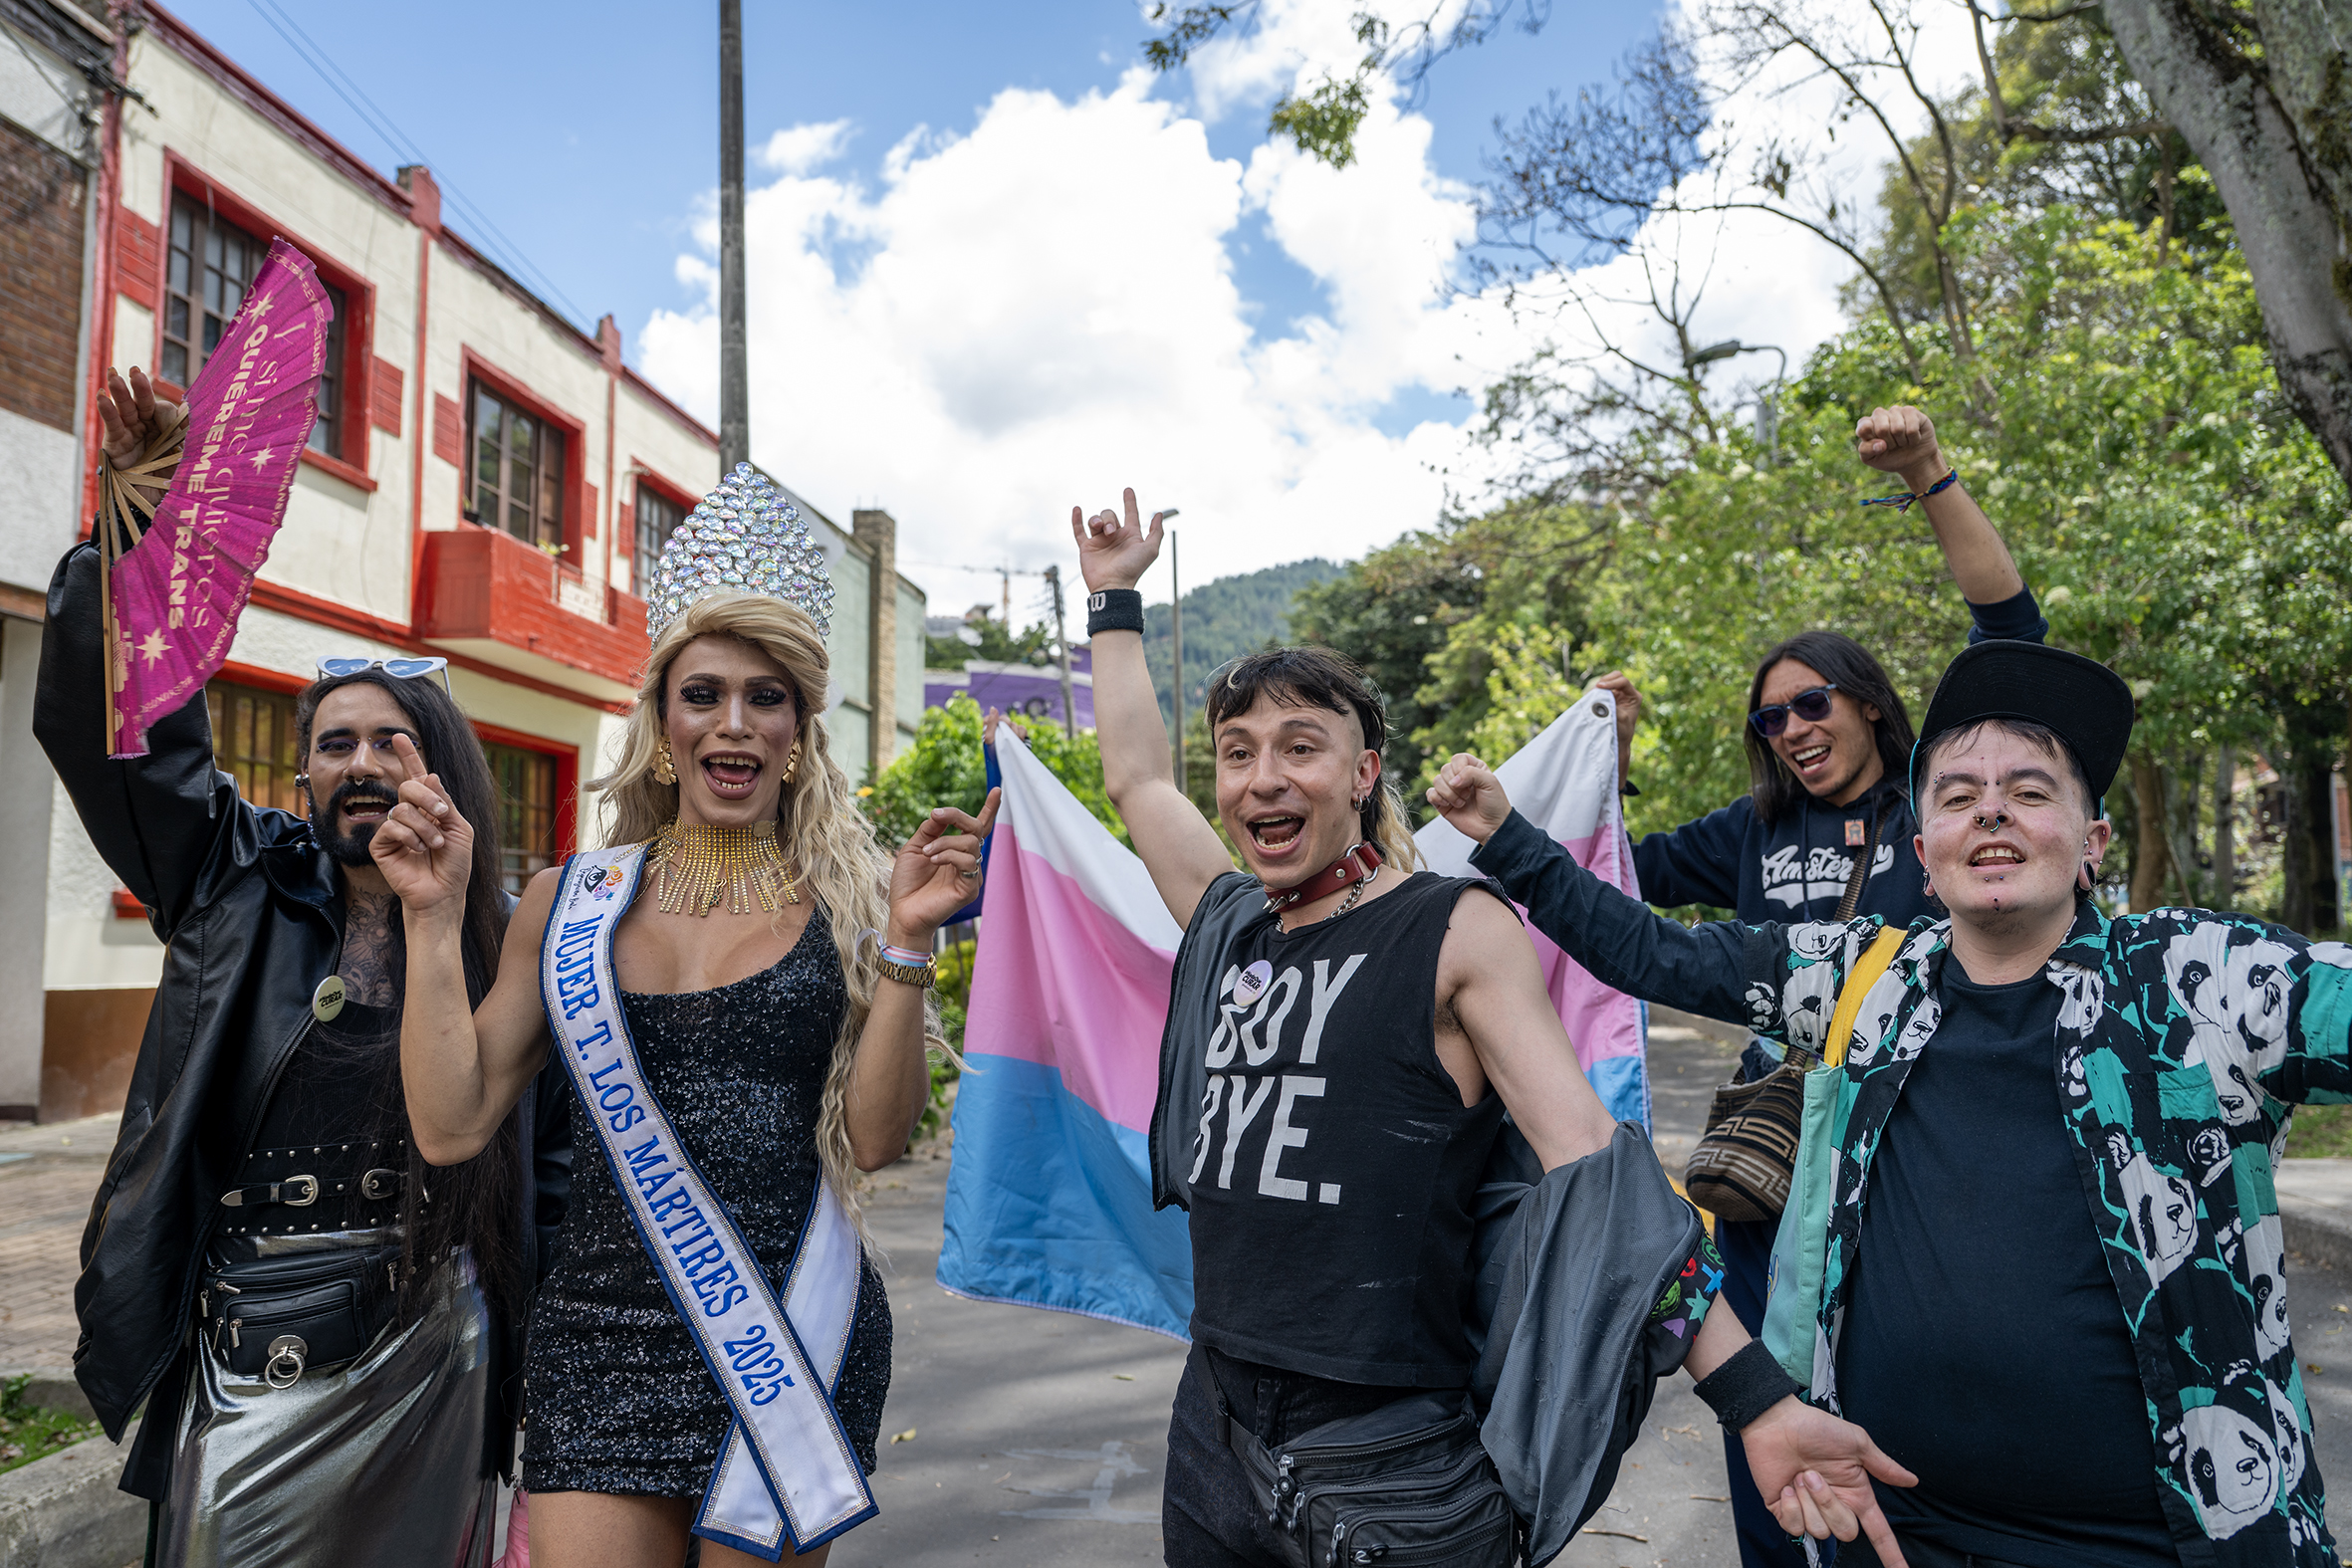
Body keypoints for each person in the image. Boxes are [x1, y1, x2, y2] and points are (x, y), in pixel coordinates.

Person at [1071, 489, 1921, 1568]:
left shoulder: (1452, 930)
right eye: (1237, 754)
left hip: (1389, 1465)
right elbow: (1138, 777)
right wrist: (1114, 602)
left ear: (1364, 773)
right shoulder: (1231, 924)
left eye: (1300, 746)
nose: (1262, 778)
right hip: (1214, 1426)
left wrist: (1754, 1401)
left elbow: (1597, 1182)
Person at [1430, 638, 2349, 1567]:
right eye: (1956, 795)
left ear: (2092, 842)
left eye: (2031, 791)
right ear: (1925, 848)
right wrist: (1507, 836)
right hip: (1894, 1531)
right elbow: (1650, 951)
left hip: (2179, 1539)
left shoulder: (2202, 976)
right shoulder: (1864, 977)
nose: (1991, 806)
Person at [377, 465, 992, 1567]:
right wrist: (430, 918)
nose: (734, 723)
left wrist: (908, 946)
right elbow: (453, 1122)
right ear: (663, 723)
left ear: (800, 729)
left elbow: (875, 1139)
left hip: (789, 1335)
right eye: (703, 693)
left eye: (767, 697)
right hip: (602, 1337)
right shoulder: (573, 903)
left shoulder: (850, 904)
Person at [35, 367, 572, 1567]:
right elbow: (126, 735)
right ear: (303, 780)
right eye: (336, 744)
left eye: (396, 739)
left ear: (444, 772)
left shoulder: (508, 937)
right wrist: (138, 533)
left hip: (440, 1348)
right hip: (248, 1351)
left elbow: (547, 1171)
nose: (364, 759)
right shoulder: (233, 882)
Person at [1598, 404, 2046, 1568]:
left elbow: (2011, 636)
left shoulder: (1939, 808)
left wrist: (1929, 475)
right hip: (1773, 1158)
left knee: (1906, 1393)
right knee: (1766, 1391)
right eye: (1769, 716)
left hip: (1919, 1146)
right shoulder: (1750, 828)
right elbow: (1602, 880)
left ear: (1869, 705)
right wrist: (1608, 751)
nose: (1790, 727)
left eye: (1810, 703)